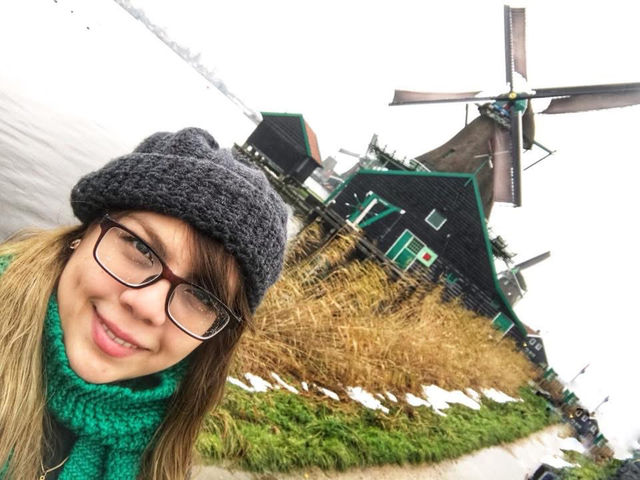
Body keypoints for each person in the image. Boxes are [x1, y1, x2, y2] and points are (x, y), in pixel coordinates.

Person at [0, 127, 288, 479]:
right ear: (85, 232)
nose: (148, 306)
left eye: (201, 295)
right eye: (140, 248)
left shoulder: (161, 454)